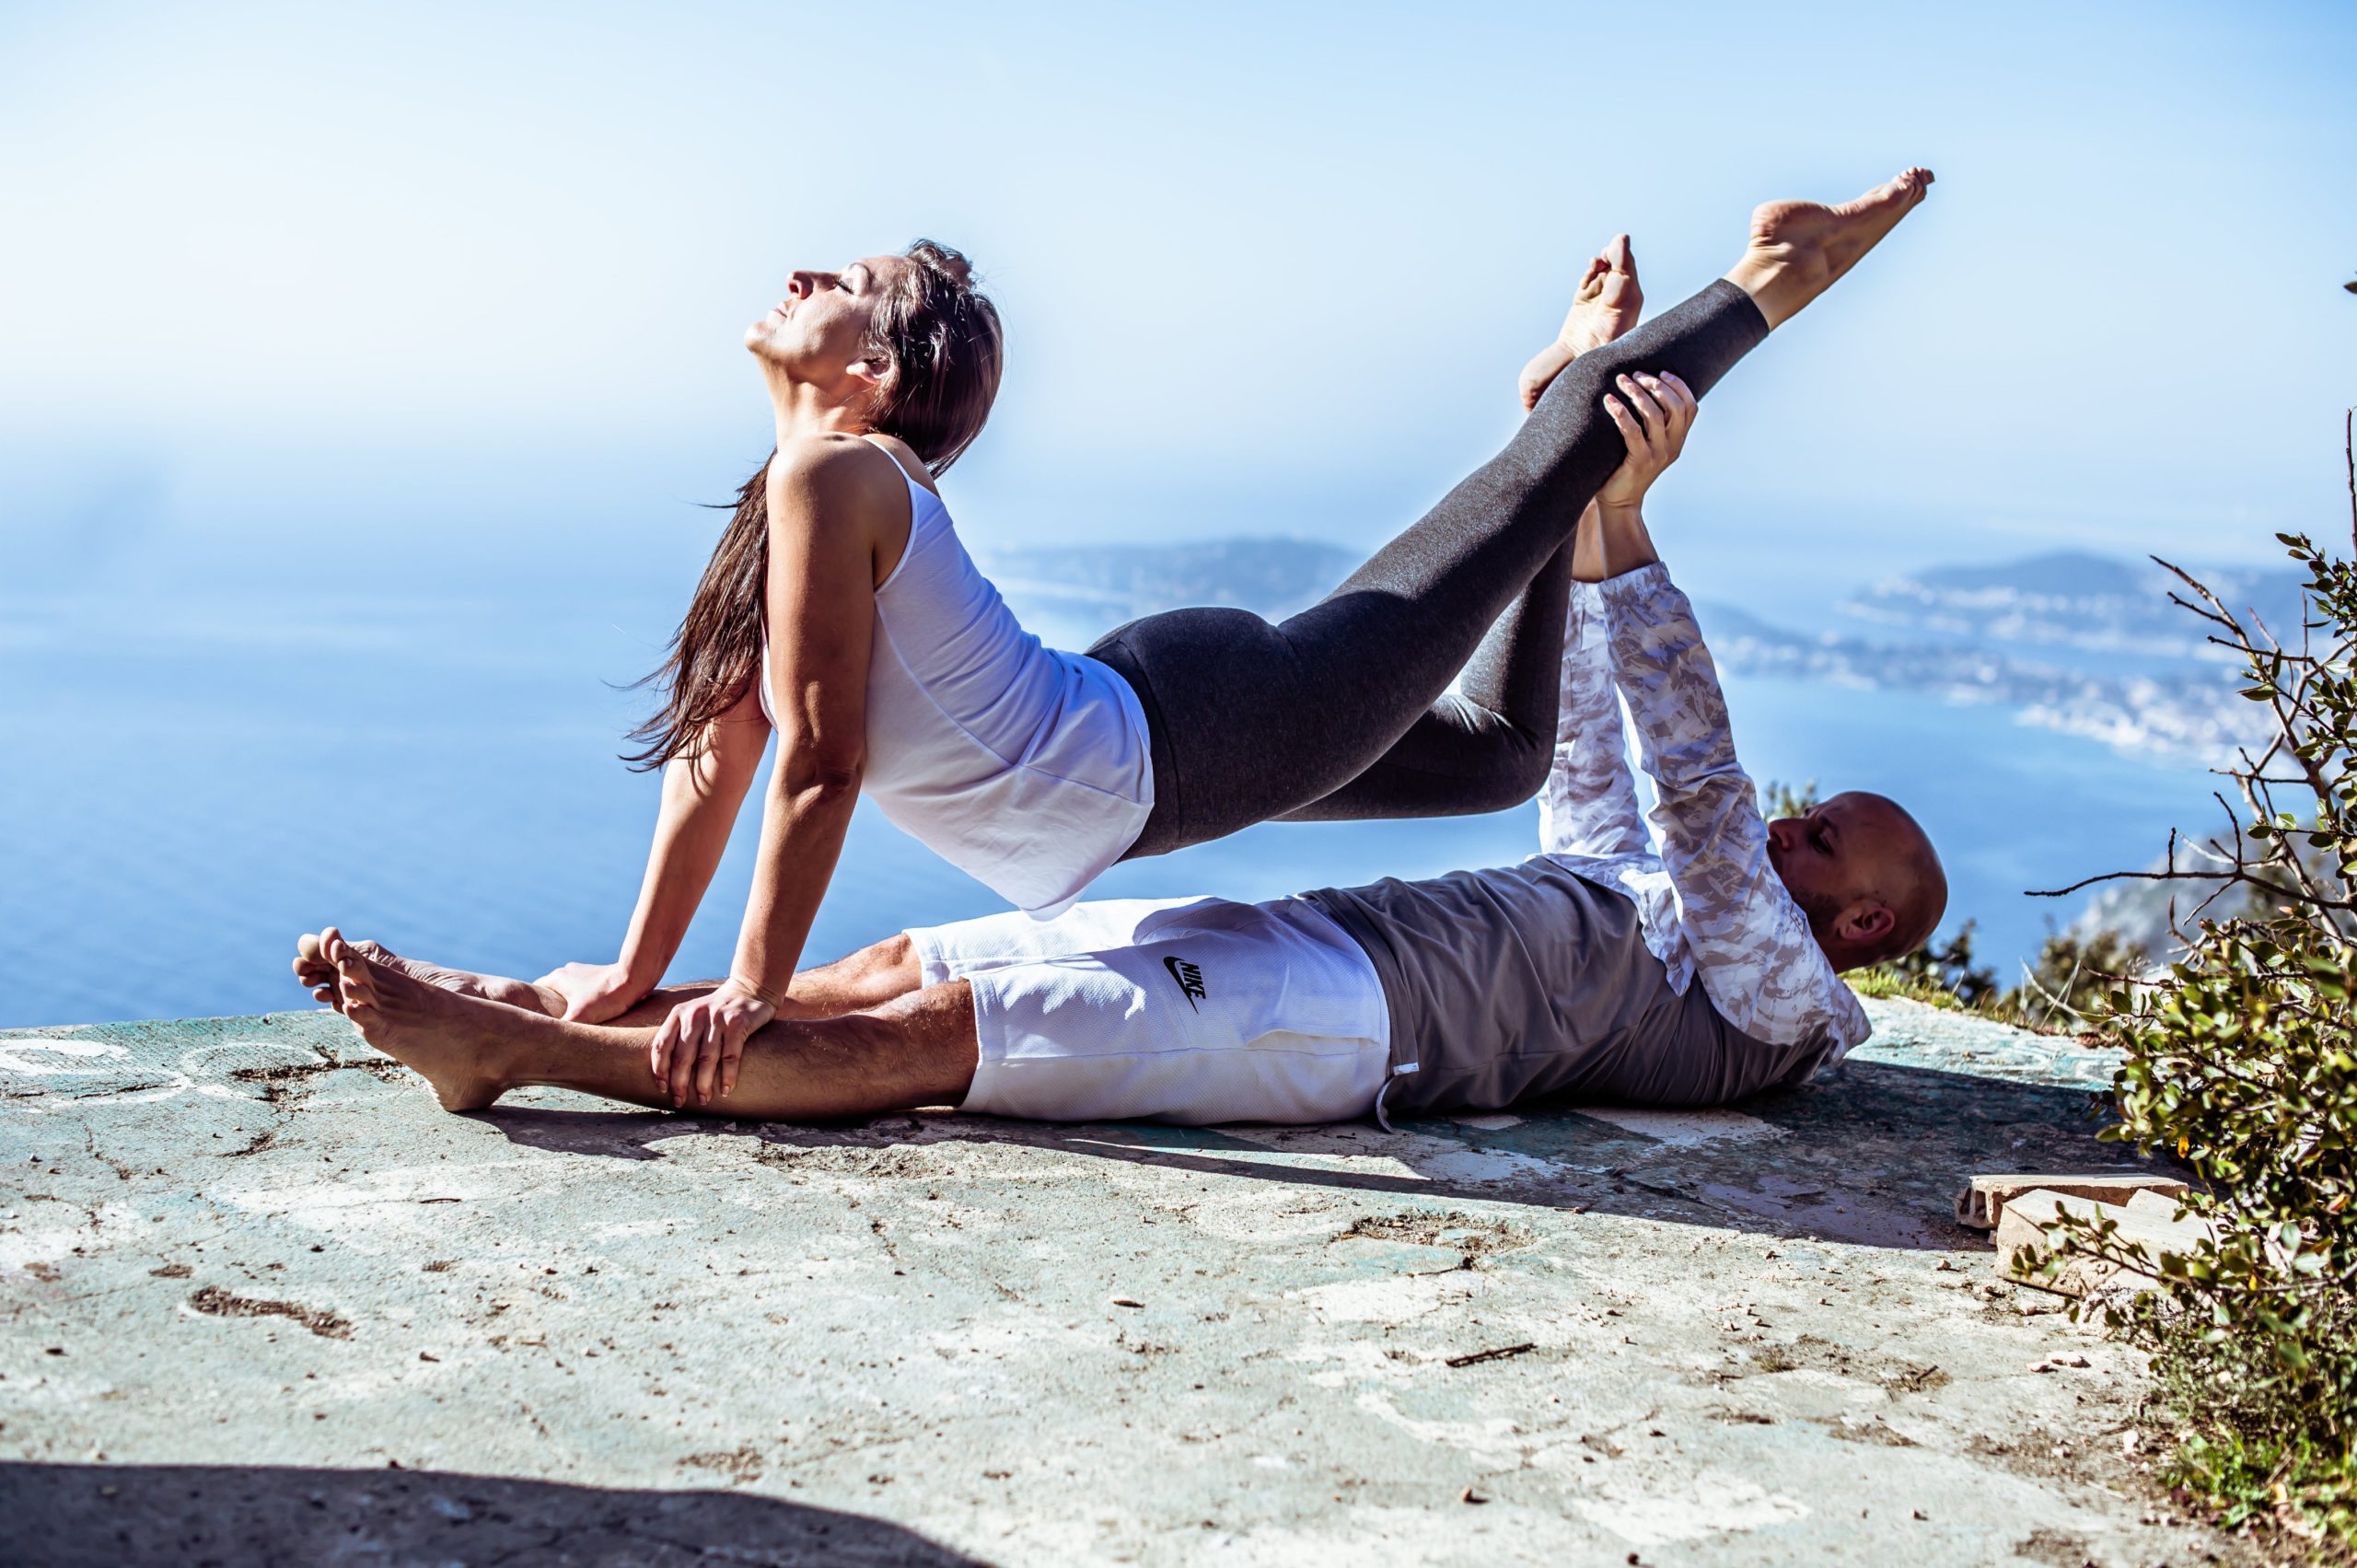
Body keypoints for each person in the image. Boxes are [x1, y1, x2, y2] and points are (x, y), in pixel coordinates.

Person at [517, 169, 1935, 1089]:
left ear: (874, 366)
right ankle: (1567, 397)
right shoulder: (805, 487)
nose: (807, 270)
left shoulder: (840, 475)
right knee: (1511, 721)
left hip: (1192, 736)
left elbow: (819, 764)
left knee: (1544, 518)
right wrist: (640, 976)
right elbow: (730, 739)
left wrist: (753, 987)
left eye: (845, 281)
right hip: (1163, 739)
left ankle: (1772, 282)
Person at [296, 356, 1946, 1127]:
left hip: (1346, 1038)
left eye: (1828, 845)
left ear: (1860, 923)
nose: (1788, 832)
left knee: (944, 1037)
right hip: (1314, 949)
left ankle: (526, 1055)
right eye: (1815, 822)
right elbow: (1580, 758)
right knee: (891, 957)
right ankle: (551, 991)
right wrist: (1594, 491)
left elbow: (1704, 794)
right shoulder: (1665, 907)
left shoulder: (1779, 1000)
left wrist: (1637, 552)